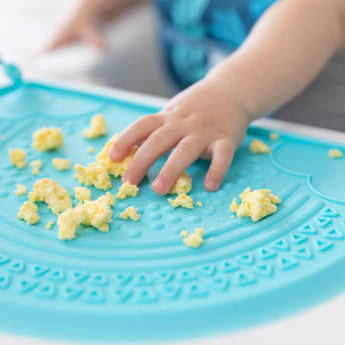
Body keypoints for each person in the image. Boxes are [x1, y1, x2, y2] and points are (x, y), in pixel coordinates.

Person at [47, 0, 345, 195]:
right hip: (209, 112)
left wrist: (232, 94)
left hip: (315, 150)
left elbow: (325, 10)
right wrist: (95, 9)